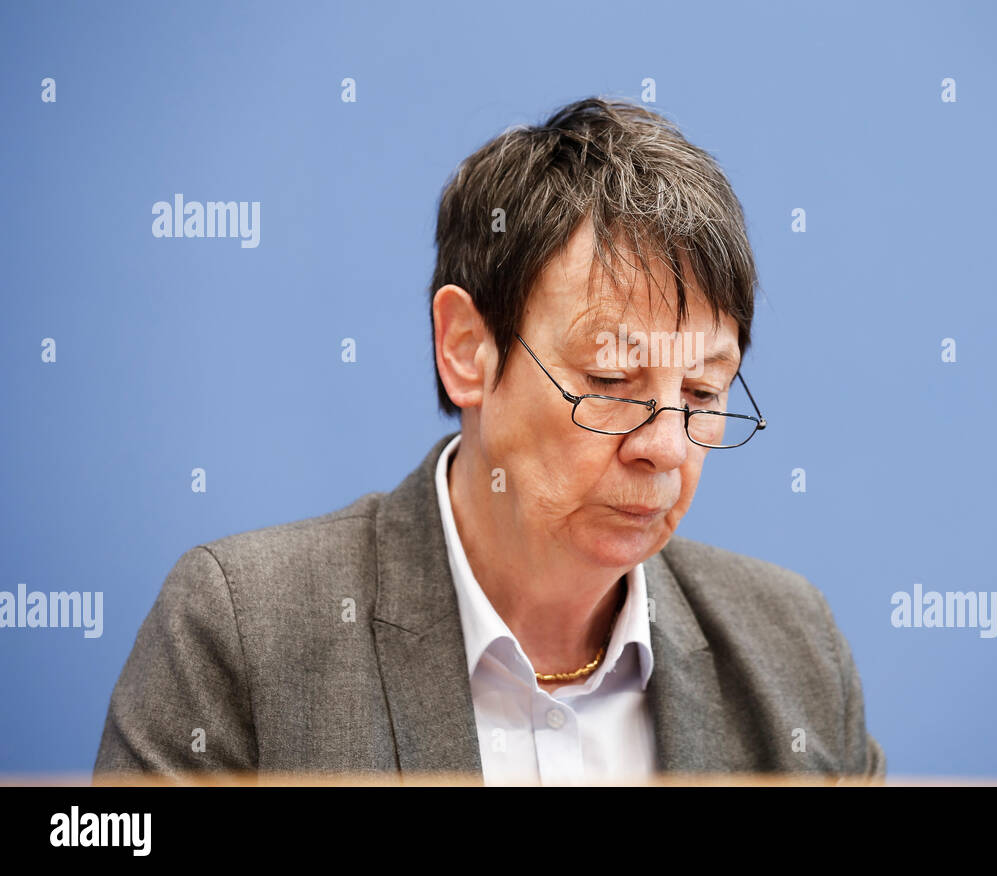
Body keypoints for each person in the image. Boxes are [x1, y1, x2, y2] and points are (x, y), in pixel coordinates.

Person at [93, 96, 885, 784]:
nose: (668, 450)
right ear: (467, 348)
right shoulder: (243, 629)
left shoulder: (793, 649)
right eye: (611, 381)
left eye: (703, 392)